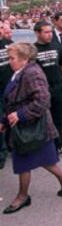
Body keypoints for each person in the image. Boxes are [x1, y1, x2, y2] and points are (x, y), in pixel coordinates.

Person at [0, 42, 62, 214]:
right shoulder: (21, 71)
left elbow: (43, 101)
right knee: (45, 159)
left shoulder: (32, 73)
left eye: (12, 58)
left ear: (25, 59)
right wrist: (5, 121)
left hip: (32, 128)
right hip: (32, 126)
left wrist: (19, 115)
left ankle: (22, 196)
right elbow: (14, 100)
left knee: (23, 163)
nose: (9, 61)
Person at [34, 21, 62, 157]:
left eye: (51, 31)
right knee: (42, 119)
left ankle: (59, 144)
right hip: (41, 91)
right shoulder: (33, 50)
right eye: (46, 32)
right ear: (37, 33)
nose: (50, 35)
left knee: (58, 118)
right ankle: (43, 147)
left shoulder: (57, 46)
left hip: (58, 88)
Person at [0, 23, 13, 169]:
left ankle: (11, 145)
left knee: (11, 118)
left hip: (11, 89)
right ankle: (2, 153)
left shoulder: (9, 44)